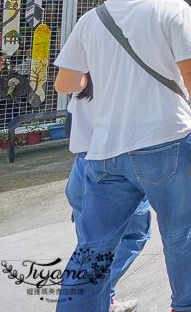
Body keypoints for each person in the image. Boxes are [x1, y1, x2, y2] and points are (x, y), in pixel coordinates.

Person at [54, 0, 191, 312]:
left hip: (105, 149)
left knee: (95, 243)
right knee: (179, 228)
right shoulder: (173, 9)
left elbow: (65, 82)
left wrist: (104, 73)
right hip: (166, 141)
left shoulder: (94, 18)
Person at [65, 78, 151, 312]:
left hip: (81, 169)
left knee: (89, 246)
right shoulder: (121, 88)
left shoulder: (81, 88)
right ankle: (99, 292)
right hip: (112, 169)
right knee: (136, 234)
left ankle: (103, 300)